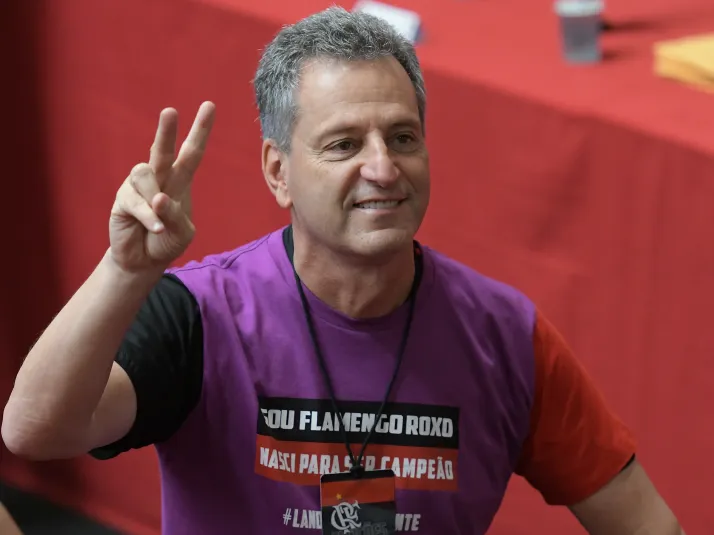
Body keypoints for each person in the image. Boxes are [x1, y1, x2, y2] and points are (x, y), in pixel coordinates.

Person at [2, 7, 683, 535]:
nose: (383, 168)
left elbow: (643, 519)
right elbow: (36, 429)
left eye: (403, 137)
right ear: (279, 172)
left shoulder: (505, 336)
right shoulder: (202, 315)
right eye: (344, 144)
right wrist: (125, 271)